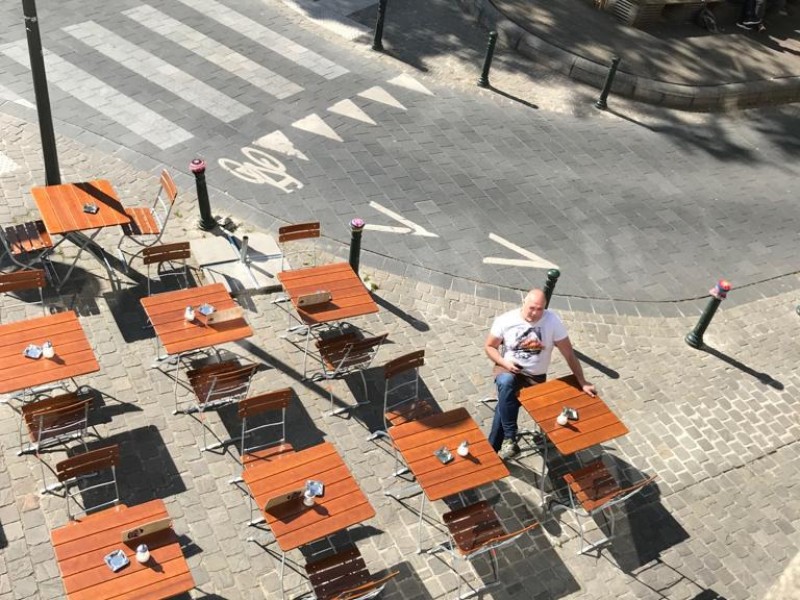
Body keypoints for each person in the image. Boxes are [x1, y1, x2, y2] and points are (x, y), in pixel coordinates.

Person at [484, 289, 596, 459]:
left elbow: (568, 353)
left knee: (506, 404)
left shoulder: (552, 321)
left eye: (540, 309)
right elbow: (489, 346)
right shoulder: (505, 320)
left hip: (535, 377)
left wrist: (582, 381)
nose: (535, 313)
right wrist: (505, 363)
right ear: (524, 302)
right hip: (509, 369)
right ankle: (509, 437)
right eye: (532, 308)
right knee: (506, 383)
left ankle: (496, 447)